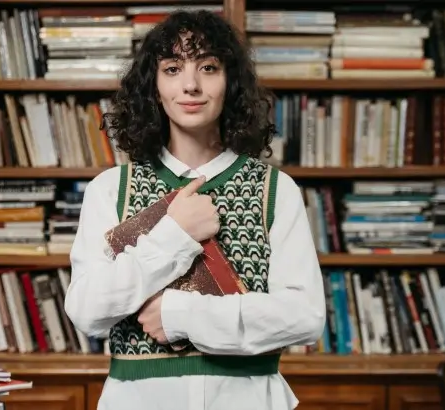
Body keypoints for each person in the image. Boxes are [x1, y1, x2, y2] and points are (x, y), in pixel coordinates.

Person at [62, 9, 325, 410]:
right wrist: (173, 237)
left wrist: (180, 313)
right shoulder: (110, 189)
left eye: (208, 66)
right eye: (172, 69)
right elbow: (86, 311)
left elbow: (305, 318)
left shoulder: (276, 190)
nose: (190, 85)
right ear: (153, 87)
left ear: (230, 81)